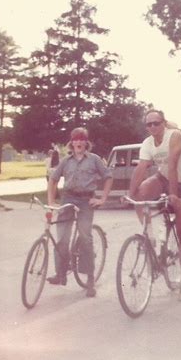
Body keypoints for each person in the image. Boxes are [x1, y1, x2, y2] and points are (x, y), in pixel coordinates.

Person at [128, 109, 181, 302]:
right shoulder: (148, 143)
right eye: (149, 124)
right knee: (140, 194)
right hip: (163, 177)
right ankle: (151, 235)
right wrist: (130, 194)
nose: (153, 127)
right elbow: (141, 168)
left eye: (156, 123)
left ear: (163, 123)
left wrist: (173, 194)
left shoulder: (174, 136)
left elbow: (173, 164)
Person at [47, 127, 113, 297]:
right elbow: (53, 180)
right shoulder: (66, 161)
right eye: (75, 139)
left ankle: (90, 280)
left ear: (86, 142)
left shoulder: (94, 159)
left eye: (82, 139)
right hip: (68, 198)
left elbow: (108, 177)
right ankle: (61, 273)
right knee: (62, 238)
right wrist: (51, 202)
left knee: (85, 238)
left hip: (85, 201)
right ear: (71, 142)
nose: (78, 142)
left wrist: (102, 199)